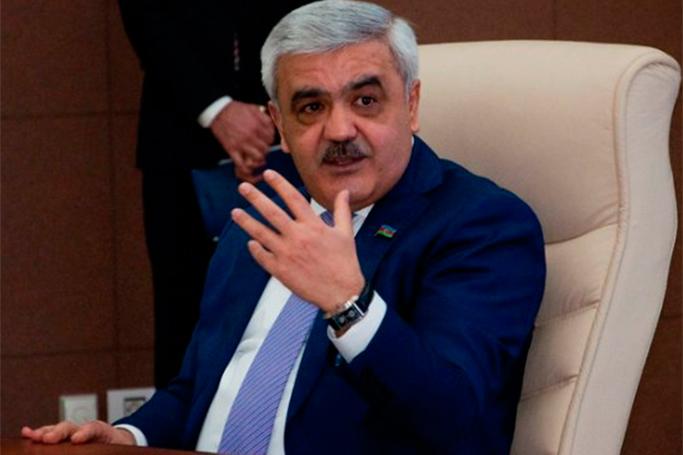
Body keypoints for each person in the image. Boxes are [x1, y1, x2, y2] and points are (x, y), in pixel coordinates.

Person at [22, 1, 546, 453]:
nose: (339, 129)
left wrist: (349, 303)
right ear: (280, 123)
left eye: (365, 101)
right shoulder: (264, 213)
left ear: (410, 105)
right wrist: (129, 435)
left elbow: (456, 420)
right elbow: (201, 388)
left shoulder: (482, 226)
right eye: (311, 107)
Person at [117, 1, 307, 387]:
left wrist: (268, 120)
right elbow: (147, 17)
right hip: (181, 141)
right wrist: (218, 110)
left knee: (296, 311)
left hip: (291, 129)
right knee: (186, 322)